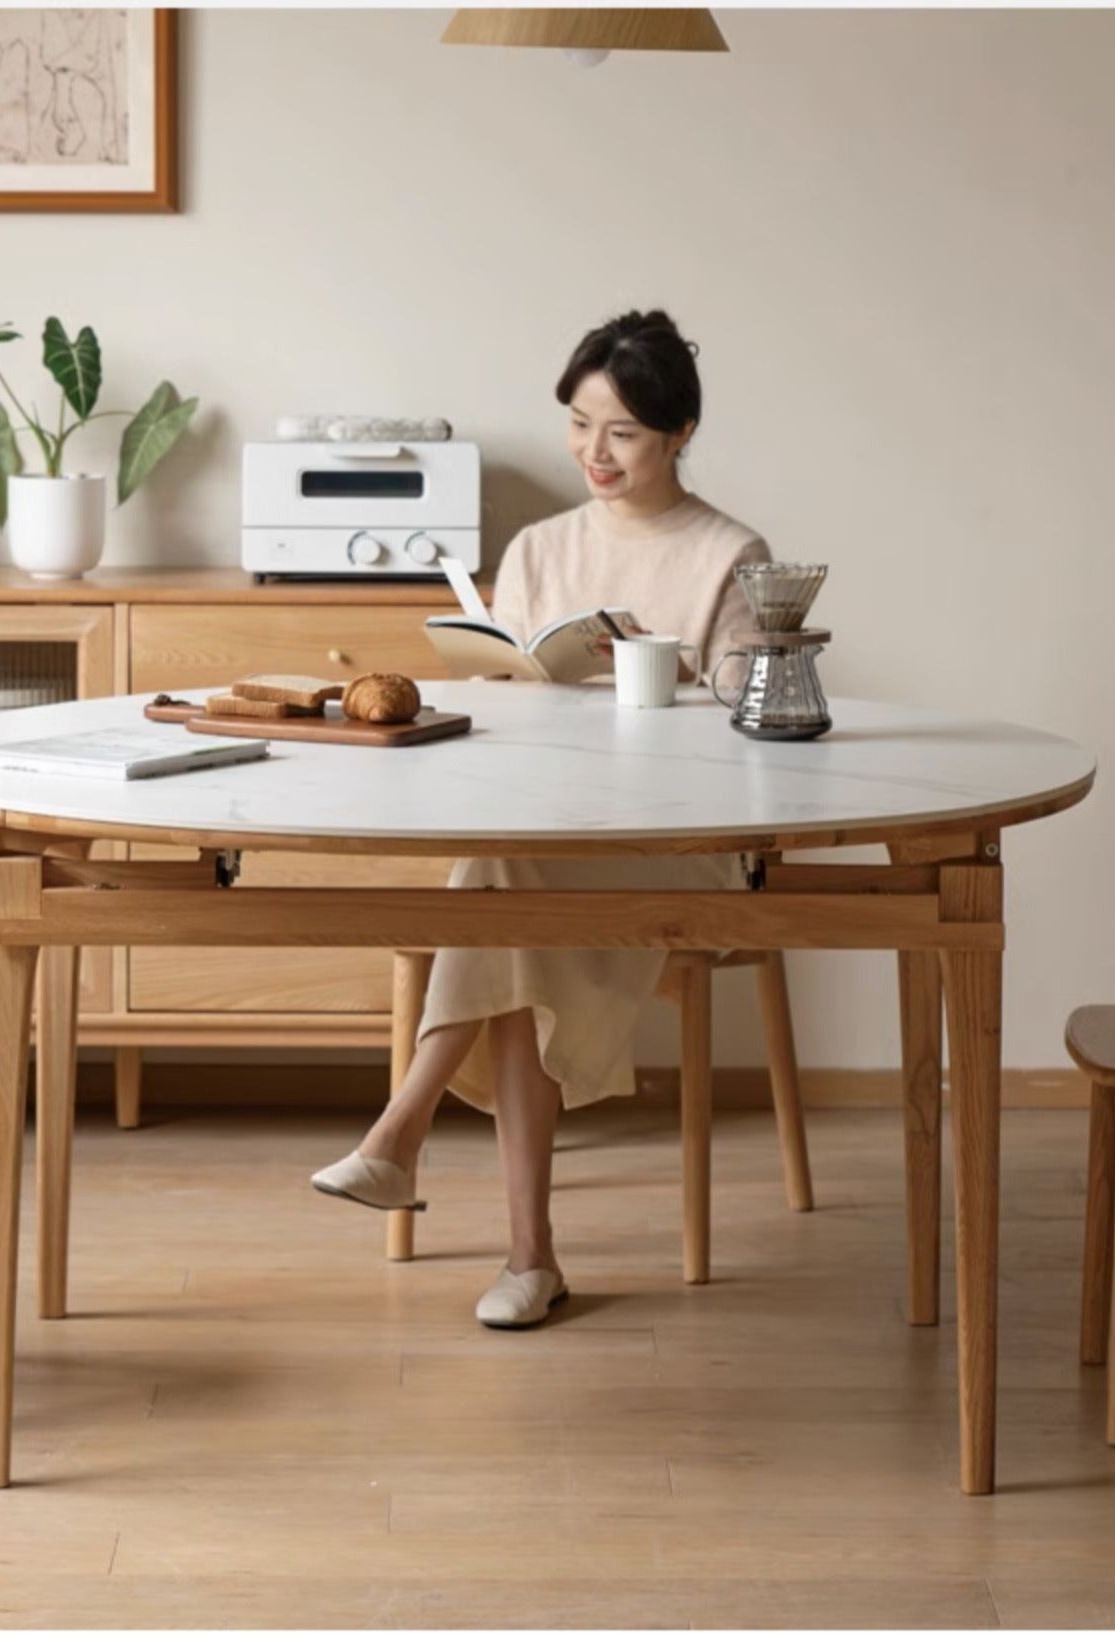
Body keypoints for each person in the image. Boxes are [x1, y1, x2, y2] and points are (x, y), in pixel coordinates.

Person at [312, 309, 772, 1328]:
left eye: (623, 433)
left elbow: (748, 733)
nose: (593, 453)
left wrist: (662, 678)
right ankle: (522, 1251)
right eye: (578, 424)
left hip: (675, 840)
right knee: (514, 885)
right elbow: (501, 715)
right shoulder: (537, 549)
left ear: (679, 434)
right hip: (545, 828)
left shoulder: (728, 554)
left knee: (505, 894)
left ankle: (407, 1133)